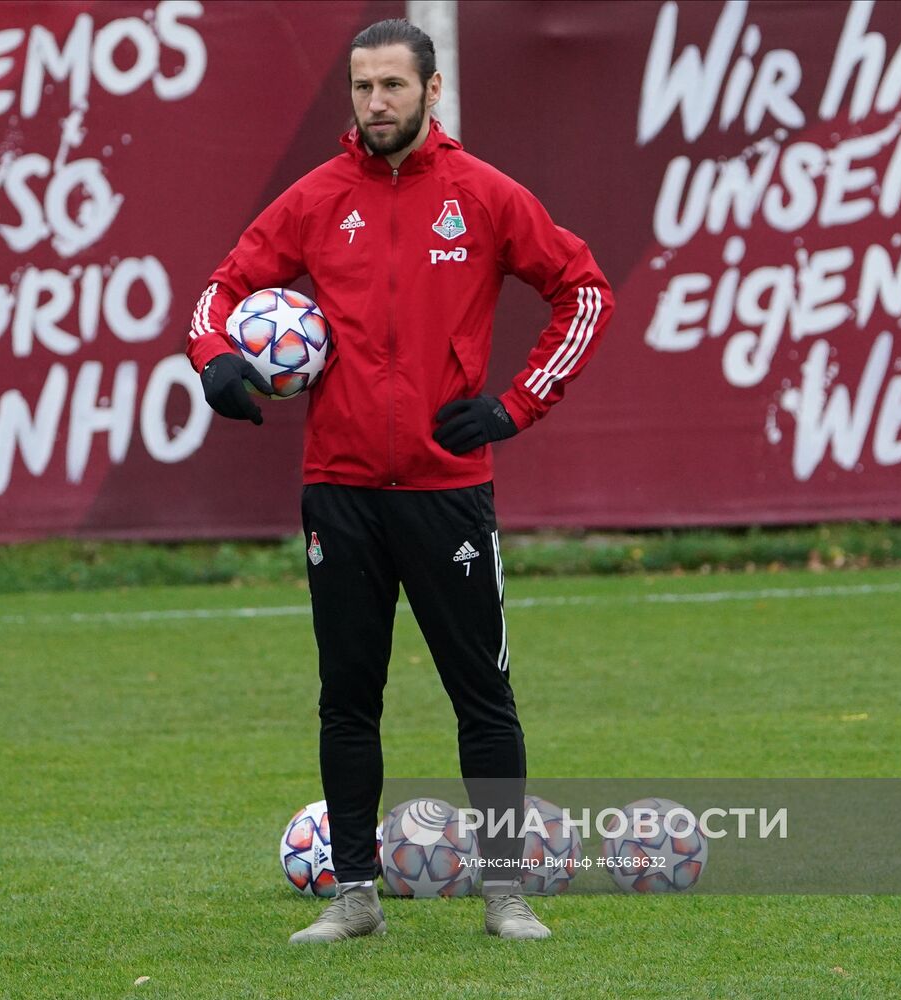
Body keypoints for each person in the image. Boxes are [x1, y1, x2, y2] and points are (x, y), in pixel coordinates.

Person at [186, 18, 612, 942]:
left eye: (391, 87)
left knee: (483, 698)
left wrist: (515, 405)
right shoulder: (316, 198)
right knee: (348, 699)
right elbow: (217, 292)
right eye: (361, 88)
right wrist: (215, 358)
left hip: (447, 492)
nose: (374, 104)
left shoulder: (484, 196)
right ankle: (354, 900)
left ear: (431, 91)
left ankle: (506, 896)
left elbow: (583, 290)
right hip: (337, 490)